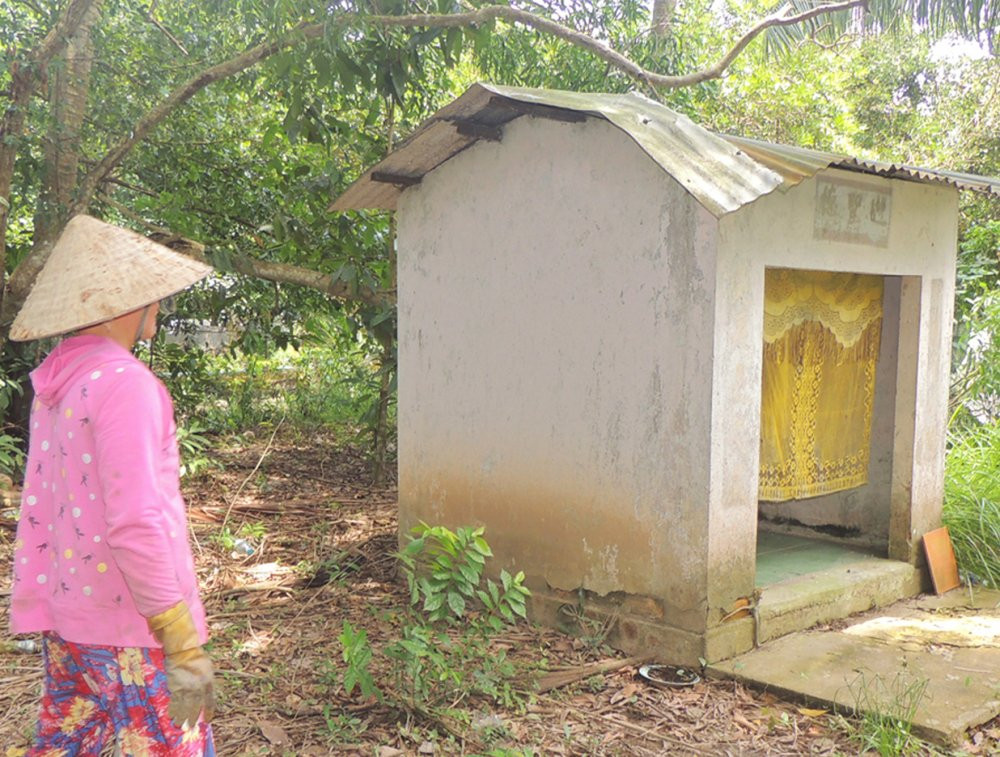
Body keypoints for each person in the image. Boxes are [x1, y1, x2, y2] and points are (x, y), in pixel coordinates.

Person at [8, 214, 216, 755]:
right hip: (132, 626)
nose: (161, 307)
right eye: (155, 296)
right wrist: (178, 635)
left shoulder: (59, 379)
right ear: (127, 303)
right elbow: (135, 521)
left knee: (72, 744)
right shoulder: (126, 384)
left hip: (71, 617)